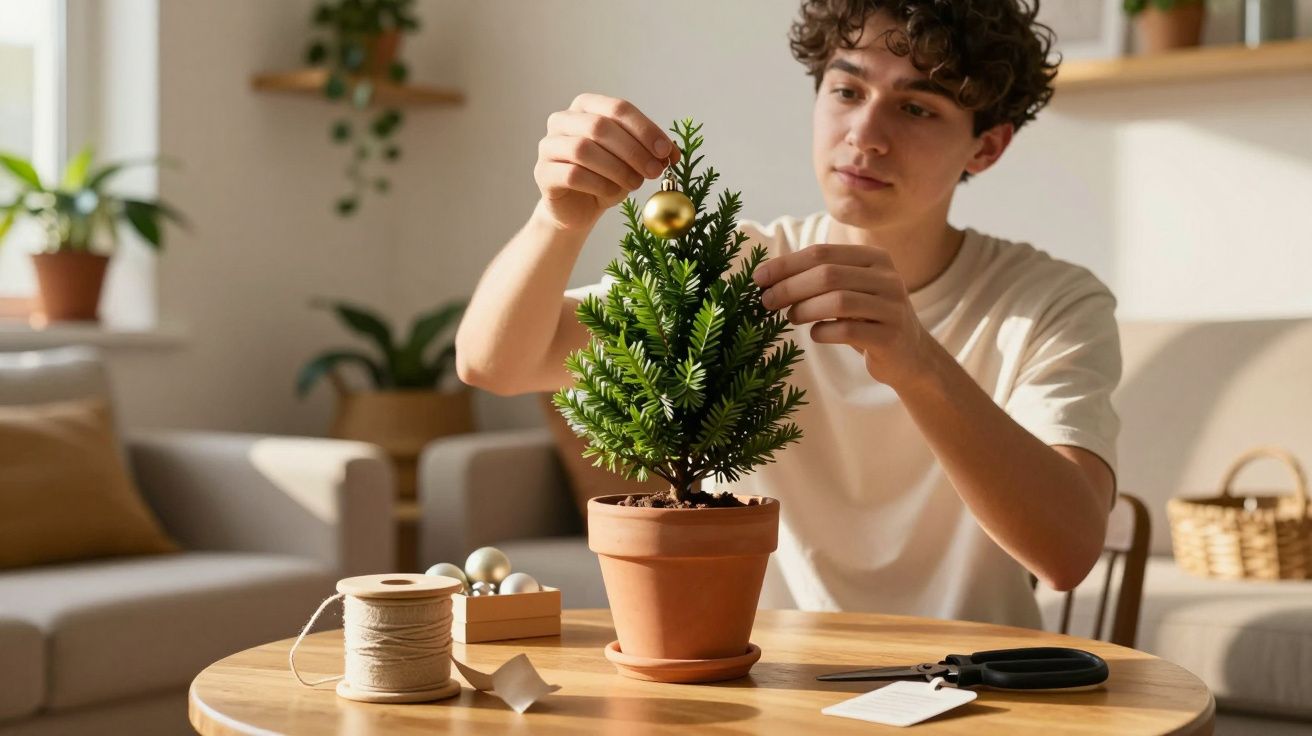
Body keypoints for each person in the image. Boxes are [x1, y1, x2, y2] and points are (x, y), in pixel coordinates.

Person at [455, 0, 1119, 629]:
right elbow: (495, 363)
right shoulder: (738, 267)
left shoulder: (1049, 302)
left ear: (986, 148)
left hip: (975, 686)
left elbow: (1067, 553)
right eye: (847, 91)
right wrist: (558, 218)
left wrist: (915, 359)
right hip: (765, 681)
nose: (865, 134)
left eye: (916, 108)